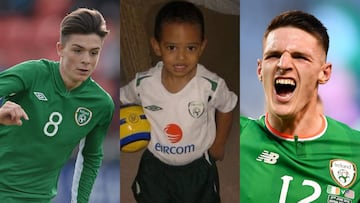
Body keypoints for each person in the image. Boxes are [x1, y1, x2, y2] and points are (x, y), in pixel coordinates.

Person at [120, 1, 238, 202]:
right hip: (156, 163)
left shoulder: (210, 85)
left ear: (202, 47)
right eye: (172, 47)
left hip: (198, 166)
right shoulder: (144, 83)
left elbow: (228, 106)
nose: (181, 57)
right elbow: (121, 97)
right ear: (157, 46)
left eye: (191, 48)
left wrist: (219, 144)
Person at [240, 10, 360, 202]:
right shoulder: (239, 137)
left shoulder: (356, 150)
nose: (283, 63)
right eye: (273, 55)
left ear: (325, 73)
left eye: (300, 57)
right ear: (260, 70)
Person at [0, 8, 114, 202]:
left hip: (38, 198)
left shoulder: (101, 104)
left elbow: (90, 158)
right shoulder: (34, 73)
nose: (86, 60)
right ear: (60, 48)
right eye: (78, 50)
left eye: (94, 52)